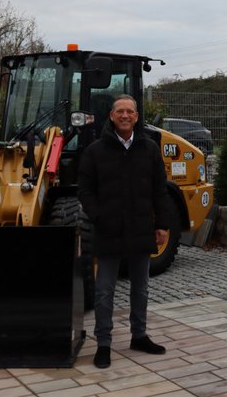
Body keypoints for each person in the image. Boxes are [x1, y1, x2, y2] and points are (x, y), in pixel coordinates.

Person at [78, 94, 173, 369]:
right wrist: (98, 216)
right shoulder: (95, 151)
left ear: (136, 116)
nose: (125, 116)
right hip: (109, 230)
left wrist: (163, 224)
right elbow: (85, 188)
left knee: (140, 288)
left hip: (141, 228)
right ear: (111, 116)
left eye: (130, 111)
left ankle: (139, 335)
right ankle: (104, 344)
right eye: (120, 111)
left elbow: (159, 190)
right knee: (105, 291)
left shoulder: (150, 149)